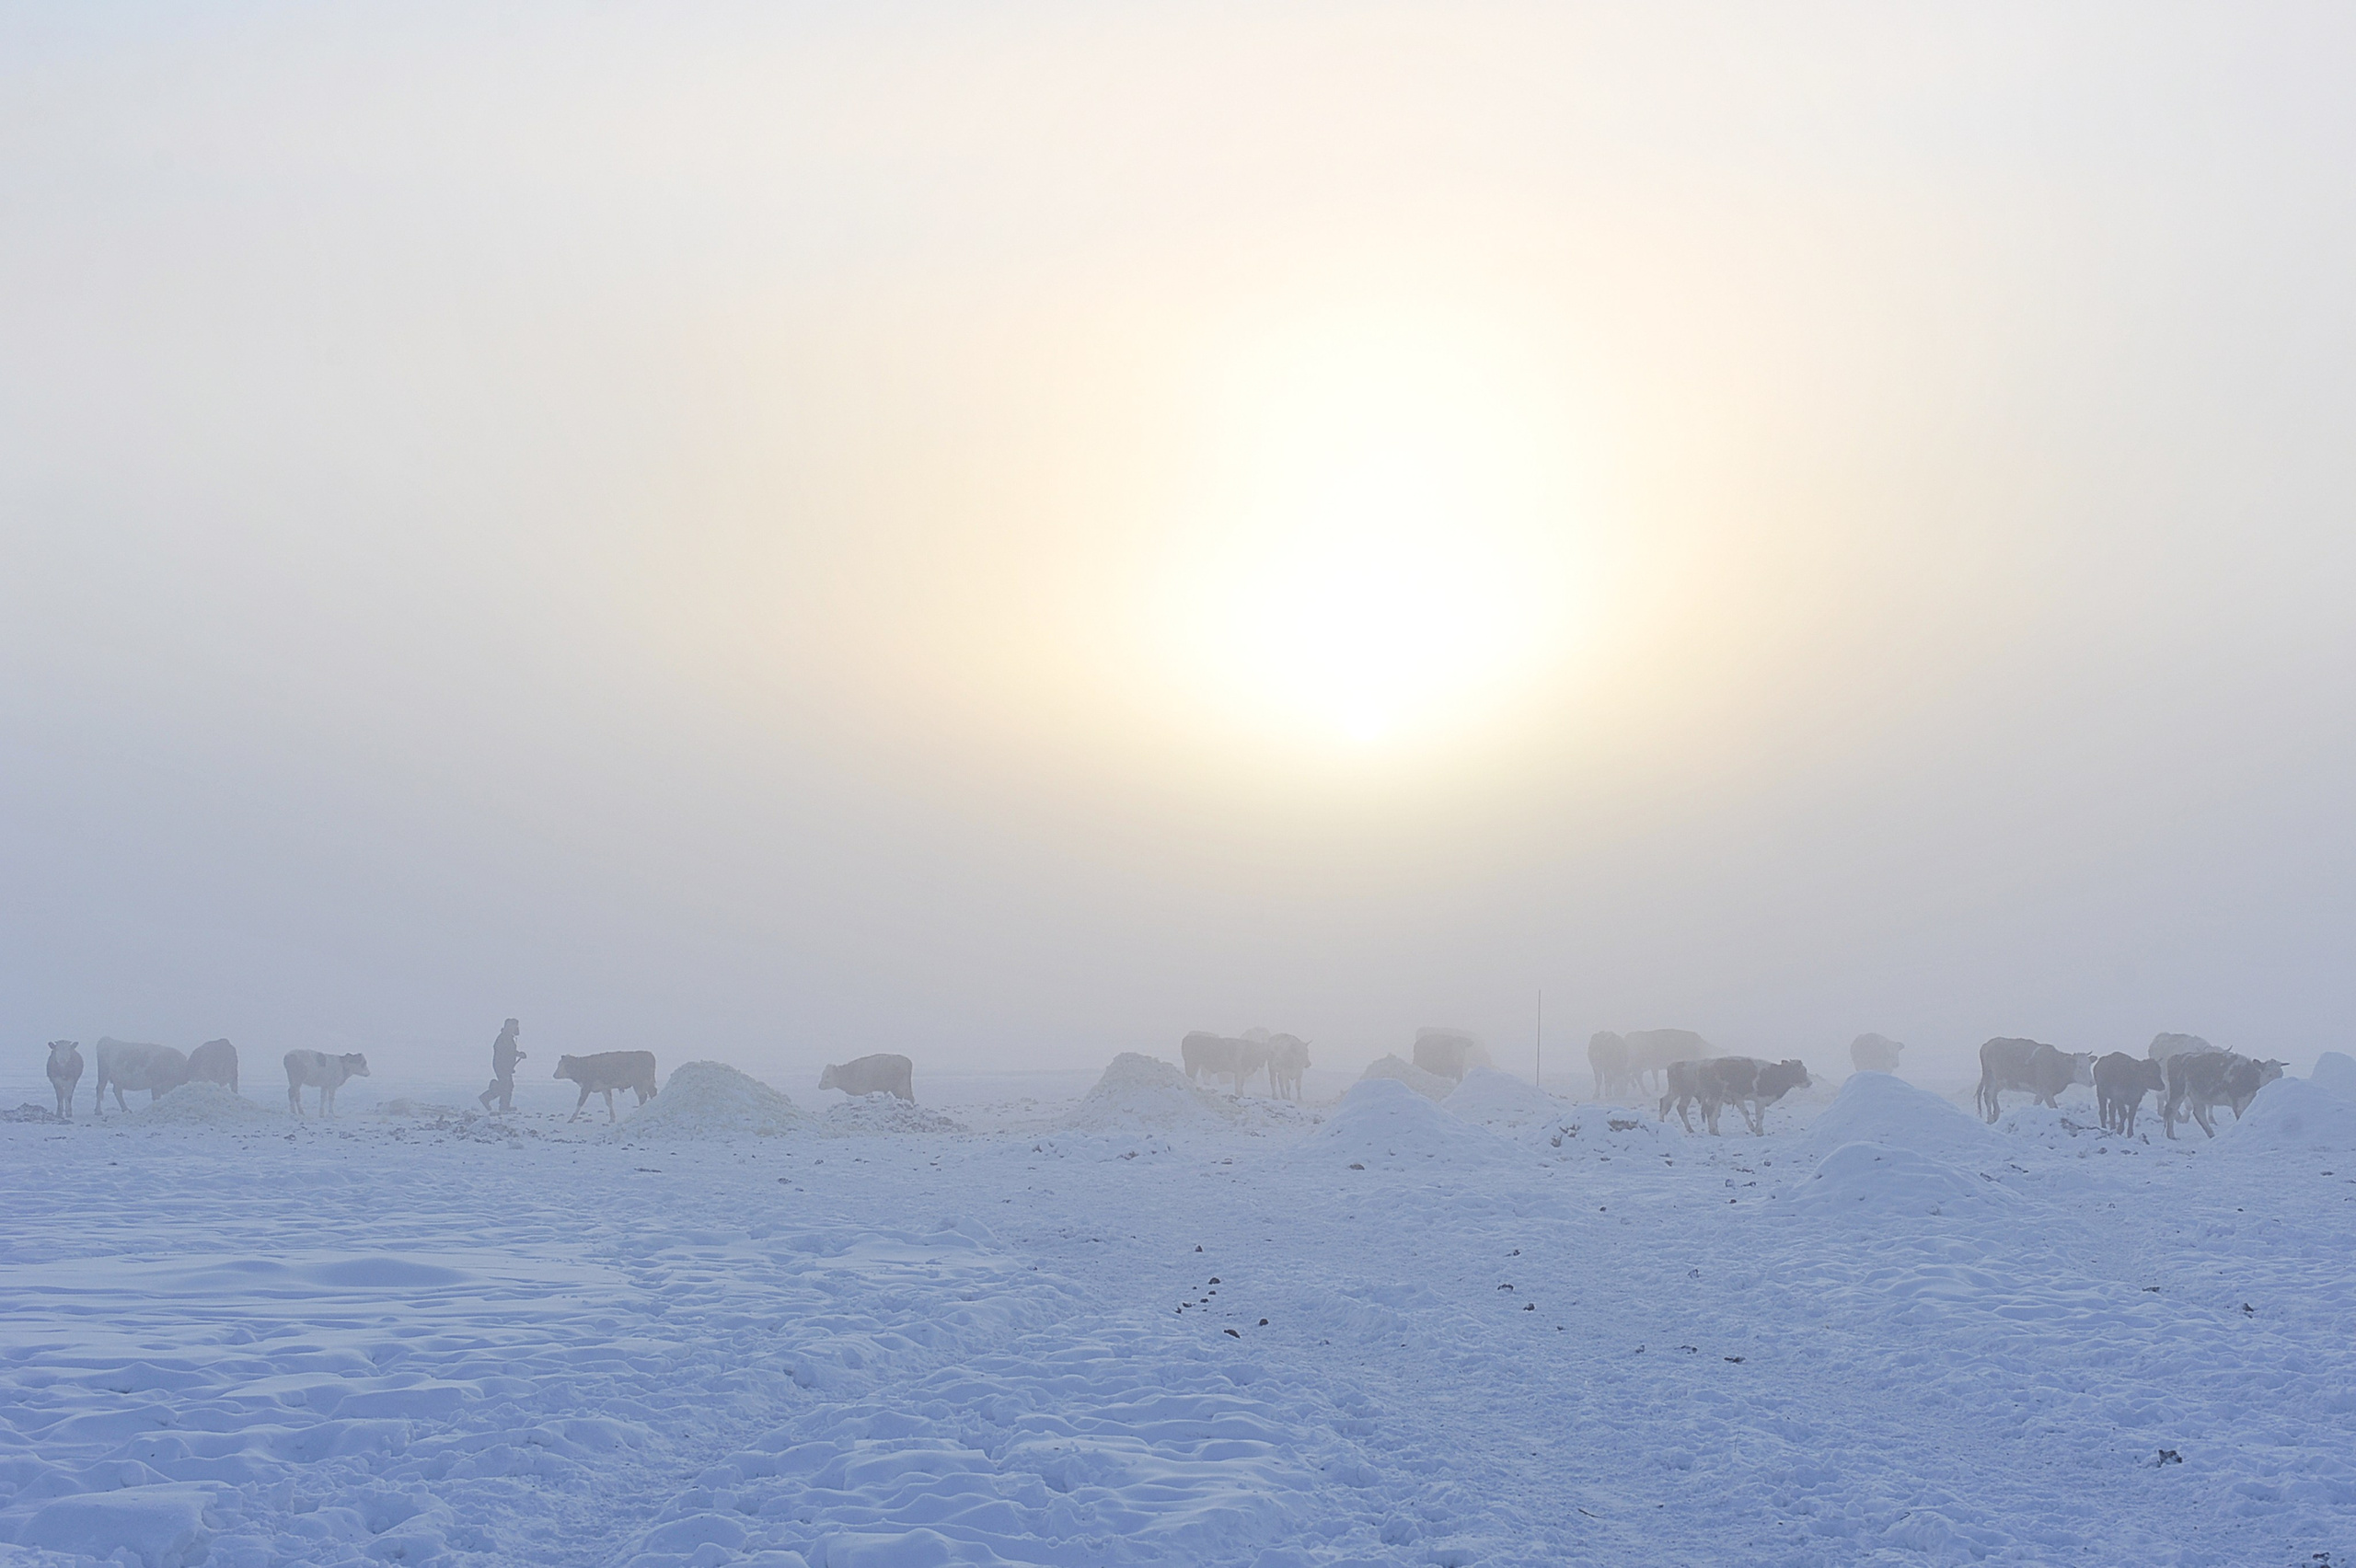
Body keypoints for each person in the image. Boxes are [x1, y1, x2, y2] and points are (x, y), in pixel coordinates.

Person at [478, 1018, 525, 1113]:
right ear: (507, 1026)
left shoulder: (508, 1037)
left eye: (515, 1025)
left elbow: (509, 1052)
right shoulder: (503, 1037)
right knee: (507, 1085)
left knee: (507, 1085)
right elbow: (506, 1052)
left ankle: (502, 1104)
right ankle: (490, 1099)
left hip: (505, 1066)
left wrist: (517, 1055)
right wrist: (518, 1054)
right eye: (512, 1025)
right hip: (501, 1066)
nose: (514, 1027)